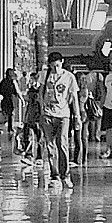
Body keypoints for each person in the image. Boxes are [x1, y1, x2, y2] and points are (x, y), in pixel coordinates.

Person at [39, 56, 81, 188]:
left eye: (57, 65)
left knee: (62, 143)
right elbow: (40, 93)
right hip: (48, 114)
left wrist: (77, 116)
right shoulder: (45, 75)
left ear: (62, 62)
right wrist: (42, 109)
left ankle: (65, 175)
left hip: (63, 115)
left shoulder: (69, 77)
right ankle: (54, 175)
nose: (55, 69)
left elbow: (74, 98)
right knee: (50, 145)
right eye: (53, 66)